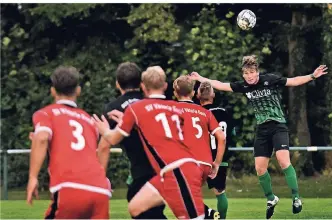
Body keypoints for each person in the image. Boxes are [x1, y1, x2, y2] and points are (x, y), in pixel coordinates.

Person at [190, 55, 328, 219]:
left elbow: (293, 81)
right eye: (247, 73)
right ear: (243, 75)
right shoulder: (243, 86)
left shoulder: (270, 79)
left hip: (278, 126)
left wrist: (312, 76)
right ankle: (271, 198)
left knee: (283, 160)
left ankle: (296, 197)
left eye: (252, 73)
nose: (250, 76)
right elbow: (219, 84)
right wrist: (199, 78)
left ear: (257, 72)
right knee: (260, 169)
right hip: (262, 129)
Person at [93, 66, 213, 219]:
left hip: (178, 170)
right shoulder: (175, 108)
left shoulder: (136, 109)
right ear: (165, 86)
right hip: (171, 171)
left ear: (143, 86)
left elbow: (112, 138)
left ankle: (207, 214)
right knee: (136, 207)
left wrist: (104, 129)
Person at [27, 66, 110, 219]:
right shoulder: (90, 121)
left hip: (70, 186)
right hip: (100, 189)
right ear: (78, 90)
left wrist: (33, 177)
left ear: (53, 91)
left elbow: (43, 138)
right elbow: (96, 146)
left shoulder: (46, 113)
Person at [97, 62, 166, 219]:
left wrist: (100, 178)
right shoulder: (152, 102)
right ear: (141, 84)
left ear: (117, 84)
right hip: (163, 168)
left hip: (143, 172)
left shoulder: (113, 108)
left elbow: (104, 146)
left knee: (139, 209)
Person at [173, 76, 226, 219]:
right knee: (186, 202)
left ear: (175, 93)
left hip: (188, 164)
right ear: (192, 93)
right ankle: (205, 214)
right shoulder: (205, 112)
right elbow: (221, 137)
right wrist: (216, 164)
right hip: (206, 164)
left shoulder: (172, 109)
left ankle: (210, 214)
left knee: (180, 199)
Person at [197, 81, 235, 219]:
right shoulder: (224, 113)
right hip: (221, 156)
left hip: (202, 158)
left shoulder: (198, 113)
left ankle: (208, 214)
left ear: (198, 95)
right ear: (213, 94)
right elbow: (231, 135)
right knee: (220, 192)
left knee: (189, 191)